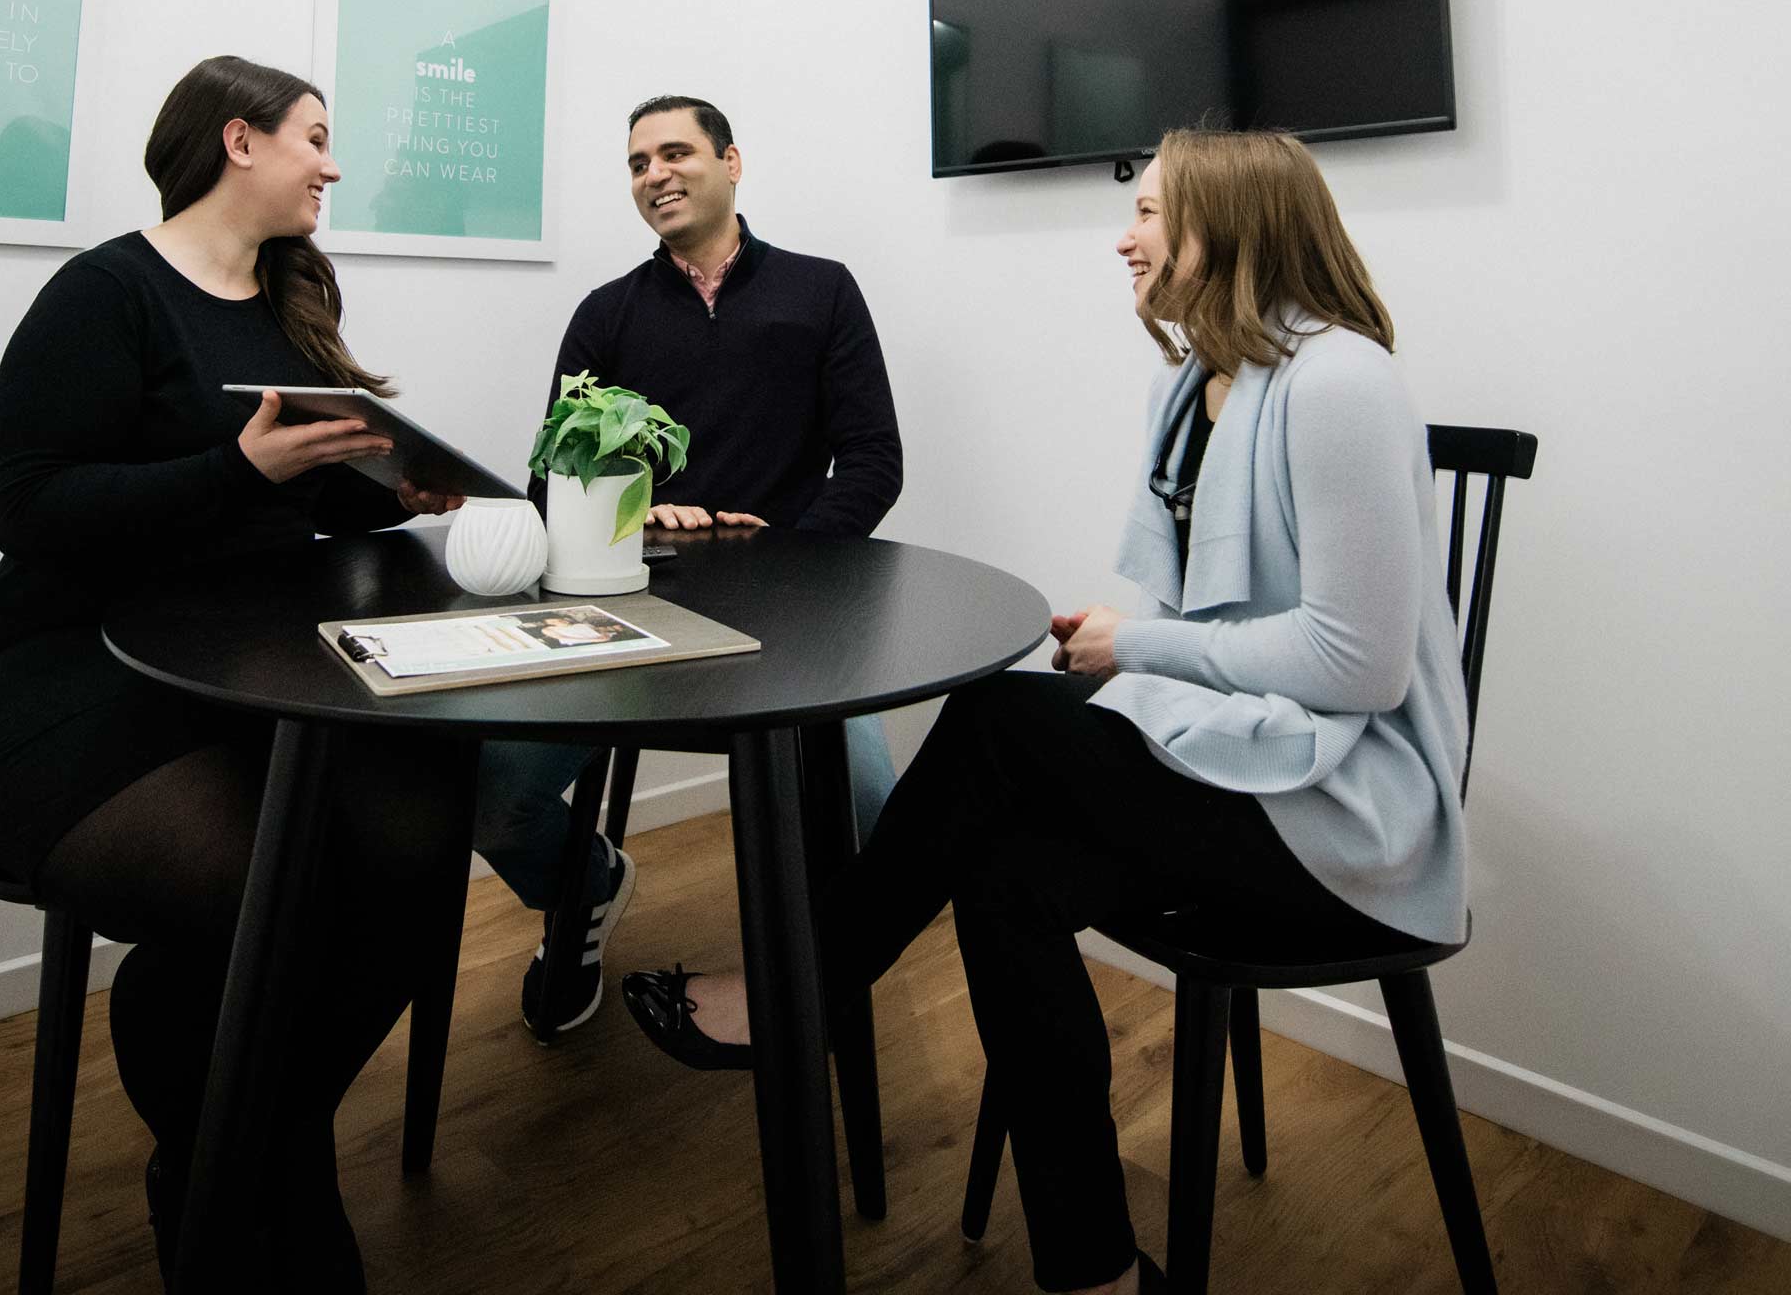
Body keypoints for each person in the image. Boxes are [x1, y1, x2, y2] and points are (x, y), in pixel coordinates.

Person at [622, 129, 1471, 1295]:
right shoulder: (1196, 385)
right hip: (1243, 763)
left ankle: (797, 993)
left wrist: (1136, 647)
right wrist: (1139, 660)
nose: (1122, 234)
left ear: (1233, 222)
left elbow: (1357, 666)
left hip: (1342, 815)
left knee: (991, 719)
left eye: (1153, 212)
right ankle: (1094, 1268)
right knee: (1005, 867)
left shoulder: (1339, 381)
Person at [0, 56, 470, 1290]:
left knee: (418, 847)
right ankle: (256, 1182)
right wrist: (242, 471)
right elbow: (29, 505)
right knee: (270, 889)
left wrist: (390, 489)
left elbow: (293, 511)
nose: (332, 164)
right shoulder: (103, 291)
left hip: (233, 678)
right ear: (238, 139)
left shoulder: (289, 301)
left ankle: (221, 1141)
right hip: (55, 684)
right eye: (315, 137)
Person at [473, 93, 905, 1037]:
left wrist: (791, 549)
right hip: (631, 619)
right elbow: (550, 481)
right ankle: (586, 892)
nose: (655, 175)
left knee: (870, 813)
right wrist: (631, 515)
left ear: (732, 162)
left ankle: (795, 987)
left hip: (789, 621)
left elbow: (874, 460)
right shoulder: (606, 314)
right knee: (490, 791)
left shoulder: (821, 290)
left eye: (675, 153)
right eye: (636, 163)